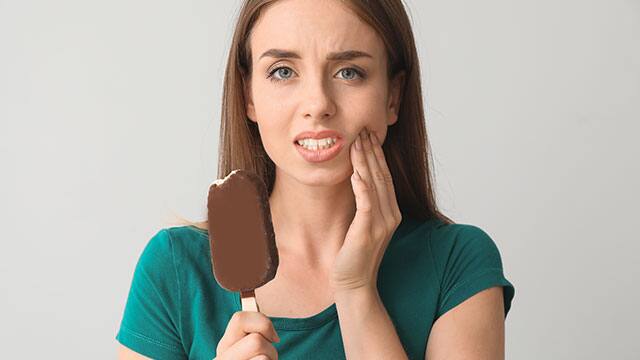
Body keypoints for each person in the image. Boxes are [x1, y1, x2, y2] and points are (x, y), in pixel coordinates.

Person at [116, 0, 516, 358]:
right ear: (249, 96)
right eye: (283, 71)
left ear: (392, 96)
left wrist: (357, 290)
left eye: (349, 72)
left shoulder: (457, 263)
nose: (318, 104)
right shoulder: (173, 268)